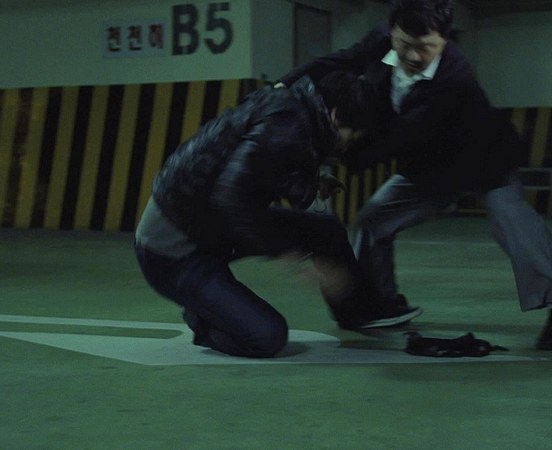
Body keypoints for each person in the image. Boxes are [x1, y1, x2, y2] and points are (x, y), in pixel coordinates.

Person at [278, 0, 552, 350]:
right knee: (374, 221)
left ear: (444, 40)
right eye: (404, 44)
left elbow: (401, 136)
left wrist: (334, 157)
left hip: (485, 161)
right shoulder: (382, 39)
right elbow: (340, 61)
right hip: (431, 167)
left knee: (515, 225)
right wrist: (284, 85)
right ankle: (382, 303)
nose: (413, 55)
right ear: (393, 32)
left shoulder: (455, 77)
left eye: (426, 47)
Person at [134, 71, 421, 359]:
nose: (347, 145)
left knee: (326, 230)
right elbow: (230, 197)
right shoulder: (287, 124)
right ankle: (203, 319)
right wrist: (294, 260)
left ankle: (357, 314)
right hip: (173, 254)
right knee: (267, 338)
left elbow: (259, 167)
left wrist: (313, 183)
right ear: (335, 116)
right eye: (351, 135)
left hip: (209, 228)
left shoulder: (298, 111)